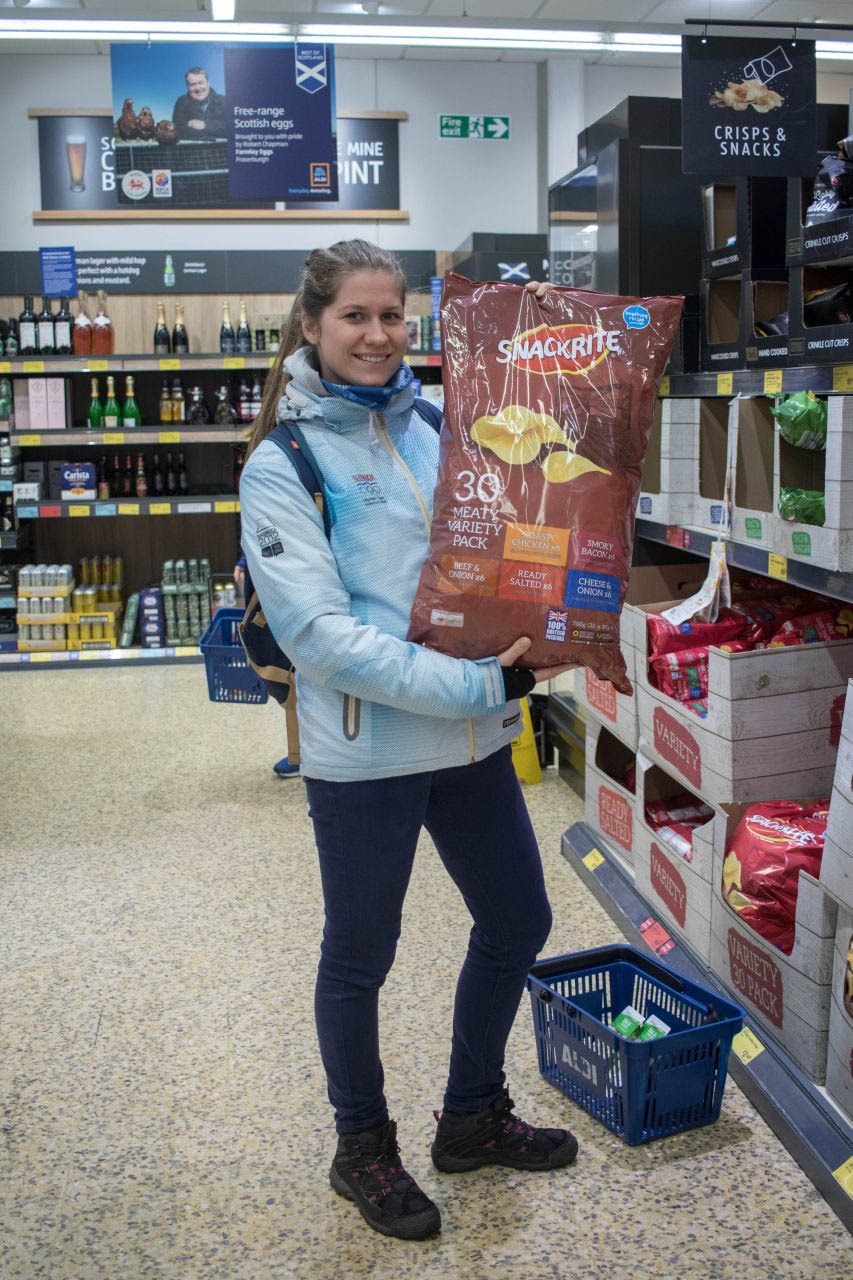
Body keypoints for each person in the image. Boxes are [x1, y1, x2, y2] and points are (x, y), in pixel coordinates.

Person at [239, 239, 578, 1244]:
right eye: (355, 315)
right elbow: (322, 640)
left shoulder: (438, 426)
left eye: (392, 315)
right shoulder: (282, 464)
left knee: (517, 920)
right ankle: (361, 1145)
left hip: (472, 741)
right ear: (312, 324)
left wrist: (558, 609)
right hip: (368, 754)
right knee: (360, 957)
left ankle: (471, 1114)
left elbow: (501, 543)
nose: (378, 335)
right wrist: (479, 681)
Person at [233, 552, 299, 777]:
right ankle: (303, 751)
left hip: (288, 585)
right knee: (285, 676)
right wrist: (244, 560)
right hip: (265, 584)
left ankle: (306, 753)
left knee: (294, 677)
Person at [172, 67, 228, 140]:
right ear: (187, 87)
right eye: (192, 84)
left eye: (201, 83)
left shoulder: (225, 101)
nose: (197, 88)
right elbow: (178, 131)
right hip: (193, 147)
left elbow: (233, 128)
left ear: (208, 83)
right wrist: (214, 132)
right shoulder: (181, 102)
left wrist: (205, 125)